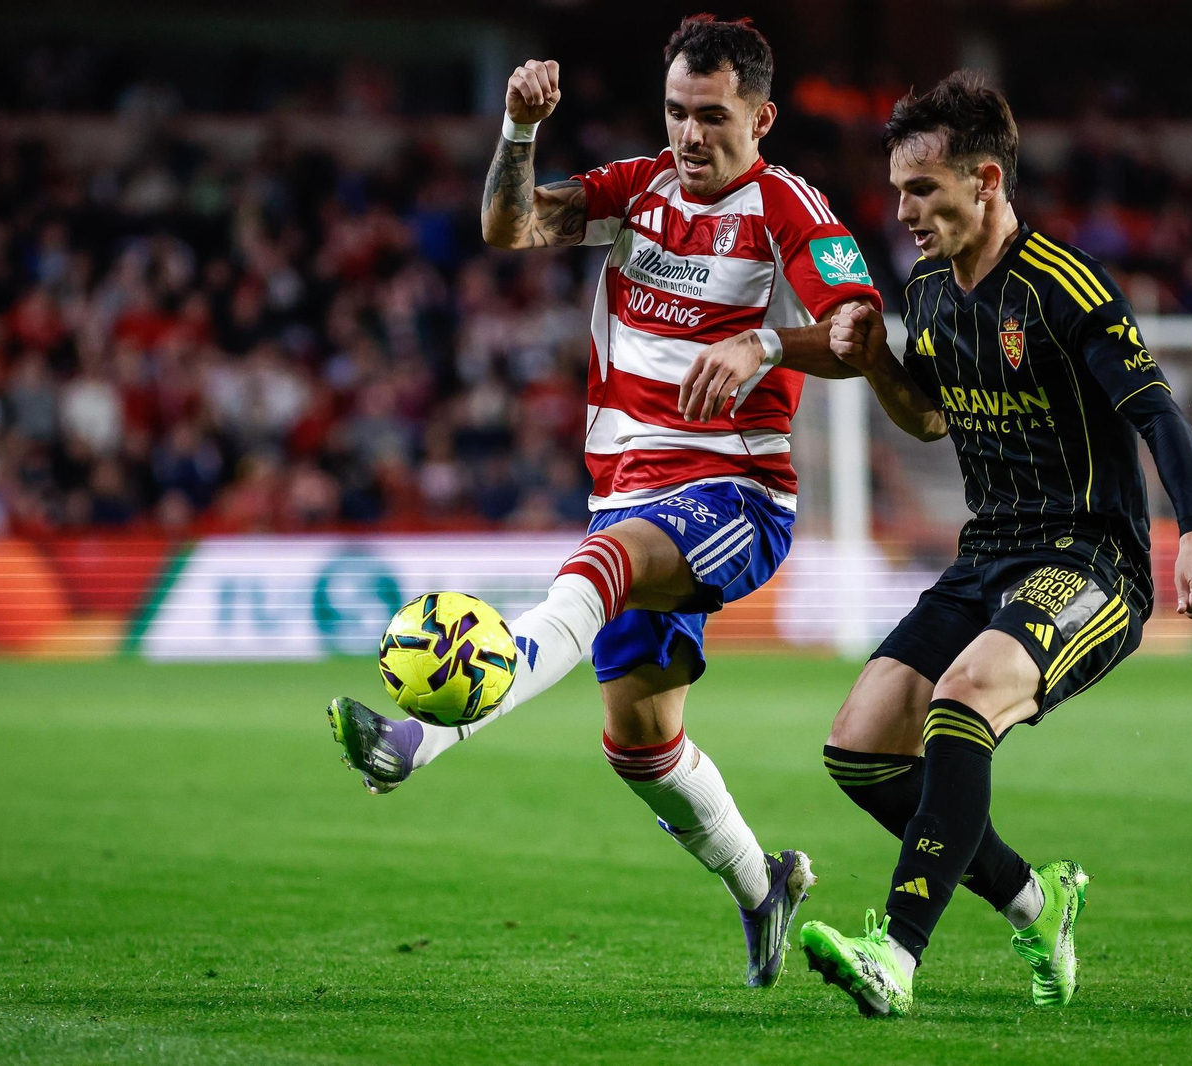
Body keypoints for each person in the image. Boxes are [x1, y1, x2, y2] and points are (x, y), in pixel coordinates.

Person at [326, 15, 883, 988]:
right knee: (641, 746)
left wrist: (760, 344)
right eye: (675, 112)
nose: (689, 136)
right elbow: (509, 227)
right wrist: (515, 132)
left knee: (606, 564)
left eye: (712, 117)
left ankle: (419, 738)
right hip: (627, 488)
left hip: (736, 494)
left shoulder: (786, 207)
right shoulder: (638, 191)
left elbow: (858, 330)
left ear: (763, 118)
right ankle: (766, 885)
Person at [795, 71, 1192, 1017]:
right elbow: (925, 419)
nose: (903, 210)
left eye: (924, 190)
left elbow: (1156, 412)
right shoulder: (928, 293)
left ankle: (897, 956)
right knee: (860, 748)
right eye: (900, 190)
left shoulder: (1063, 285)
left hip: (1090, 561)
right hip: (986, 555)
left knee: (961, 700)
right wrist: (872, 361)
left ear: (986, 180)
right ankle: (1039, 901)